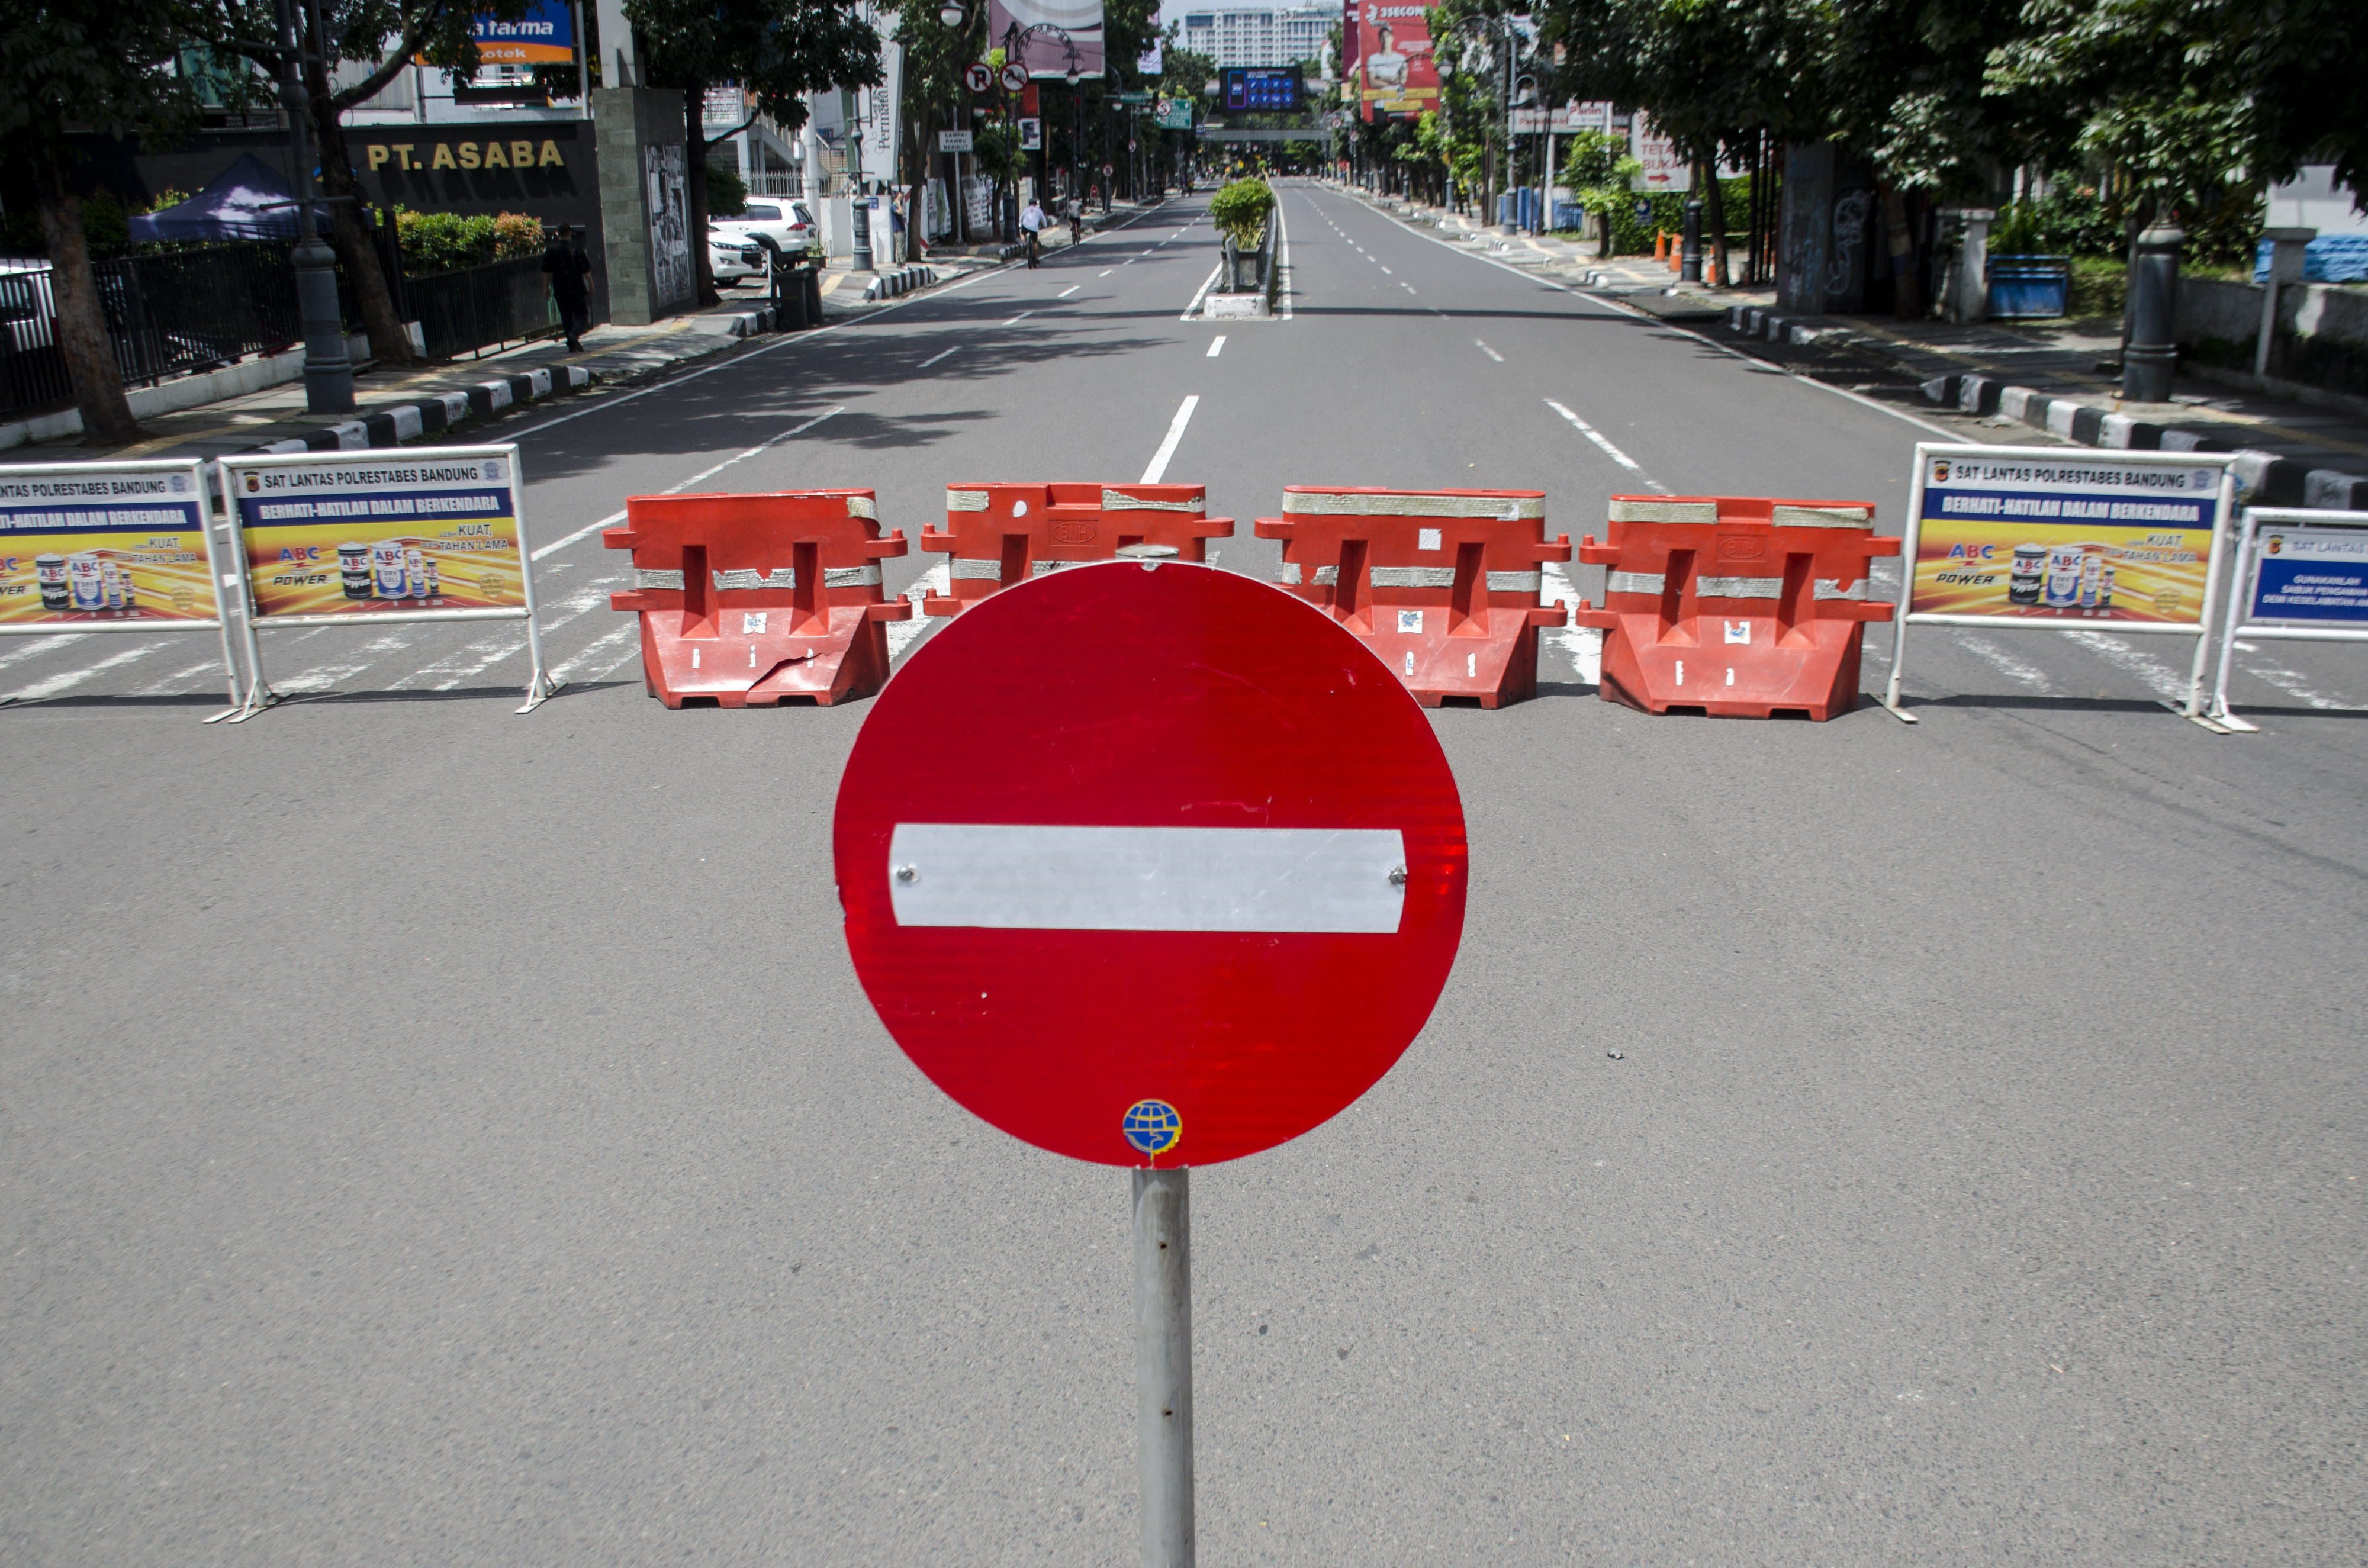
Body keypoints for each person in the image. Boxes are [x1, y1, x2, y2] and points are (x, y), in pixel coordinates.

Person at [541, 223, 593, 353]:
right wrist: (591, 283)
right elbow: (585, 269)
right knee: (582, 314)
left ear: (558, 234)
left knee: (566, 315)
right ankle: (574, 335)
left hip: (560, 288)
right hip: (576, 287)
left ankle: (572, 344)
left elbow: (546, 271)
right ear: (569, 234)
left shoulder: (551, 250)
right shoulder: (575, 249)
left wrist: (546, 288)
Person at [1021, 195, 1047, 268]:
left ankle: (1025, 244)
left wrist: (1020, 225)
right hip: (1034, 227)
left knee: (1022, 234)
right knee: (1035, 242)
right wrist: (1045, 226)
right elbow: (1043, 219)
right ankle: (1036, 258)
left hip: (1026, 225)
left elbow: (1021, 217)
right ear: (1035, 204)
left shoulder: (1026, 210)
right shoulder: (1038, 210)